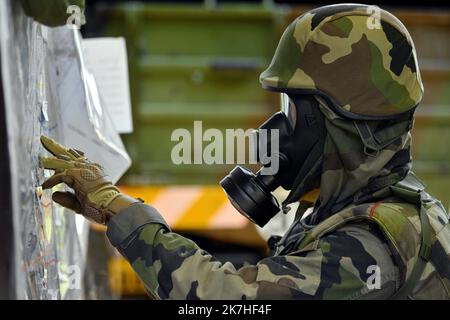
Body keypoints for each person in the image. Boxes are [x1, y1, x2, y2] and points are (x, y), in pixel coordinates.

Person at [40, 4, 450, 299]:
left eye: (292, 111)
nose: (275, 129)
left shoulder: (375, 242)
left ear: (344, 125)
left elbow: (225, 297)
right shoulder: (374, 210)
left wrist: (120, 211)